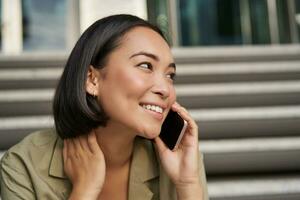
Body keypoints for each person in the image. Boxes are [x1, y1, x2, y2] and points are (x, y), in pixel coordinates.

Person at [0, 14, 209, 200]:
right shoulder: (23, 165)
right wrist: (84, 191)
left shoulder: (180, 159)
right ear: (92, 80)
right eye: (145, 65)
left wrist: (188, 184)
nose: (165, 89)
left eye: (170, 75)